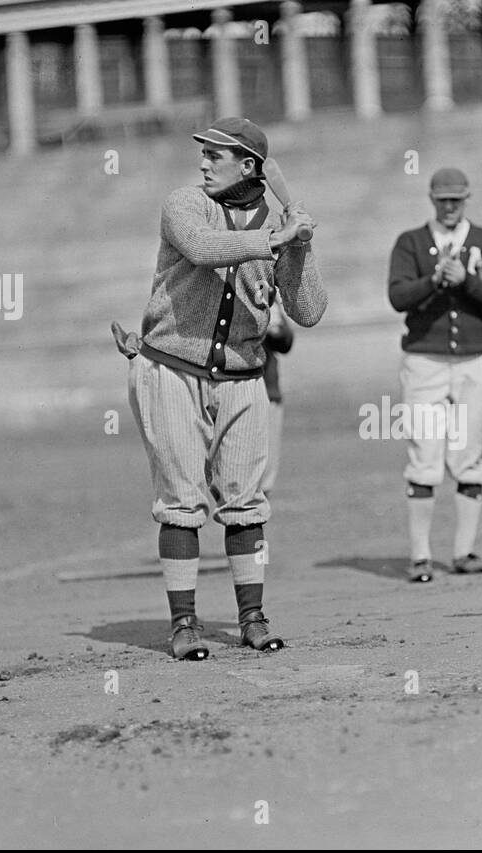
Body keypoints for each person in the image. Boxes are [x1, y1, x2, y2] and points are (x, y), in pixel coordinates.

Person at [110, 117, 326, 660]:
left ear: (249, 166)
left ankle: (252, 617)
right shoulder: (183, 204)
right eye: (203, 154)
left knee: (246, 502)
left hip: (243, 375)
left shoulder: (277, 227)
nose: (203, 163)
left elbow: (310, 311)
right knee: (181, 501)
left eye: (216, 155)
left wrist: (299, 243)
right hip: (171, 367)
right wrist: (271, 238)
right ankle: (184, 624)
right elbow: (205, 249)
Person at [387, 167, 482, 583]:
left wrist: (467, 280)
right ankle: (421, 555)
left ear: (467, 198)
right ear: (432, 200)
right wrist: (435, 280)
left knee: (471, 453)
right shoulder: (411, 242)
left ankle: (464, 550)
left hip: (477, 359)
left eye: (457, 199)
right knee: (424, 455)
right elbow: (398, 296)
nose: (451, 206)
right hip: (425, 360)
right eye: (444, 200)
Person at [261, 297, 294, 497]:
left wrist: (275, 329)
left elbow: (286, 341)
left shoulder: (267, 293)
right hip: (237, 388)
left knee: (266, 474)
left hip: (269, 391)